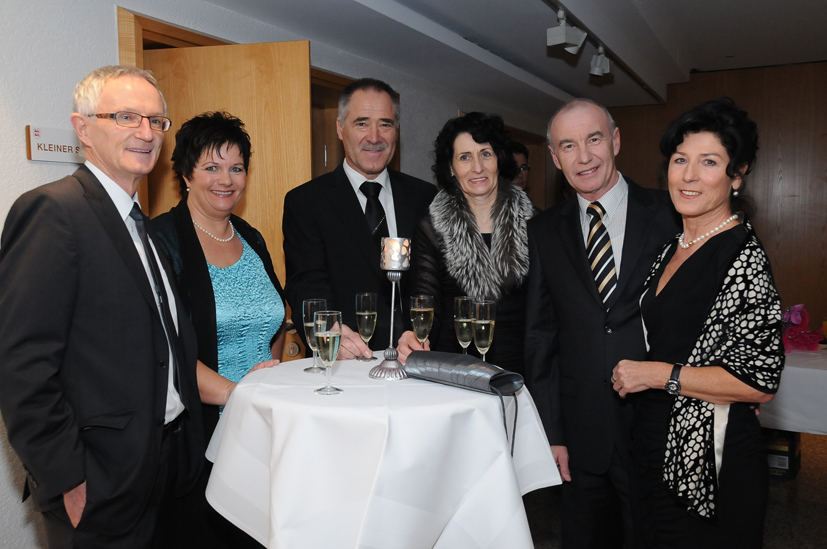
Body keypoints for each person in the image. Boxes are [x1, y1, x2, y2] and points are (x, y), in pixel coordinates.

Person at [0, 65, 203, 549]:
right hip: (99, 482)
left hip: (161, 468)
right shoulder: (53, 212)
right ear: (83, 128)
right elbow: (22, 366)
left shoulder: (141, 225)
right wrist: (67, 476)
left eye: (156, 121)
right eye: (126, 117)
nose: (146, 133)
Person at [611, 98, 784, 548]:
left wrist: (654, 374)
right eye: (680, 159)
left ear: (736, 175)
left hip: (711, 459)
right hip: (655, 442)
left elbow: (759, 382)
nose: (688, 175)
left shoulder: (742, 257)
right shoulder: (672, 246)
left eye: (709, 162)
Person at [524, 98, 680, 548]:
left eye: (593, 139)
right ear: (555, 158)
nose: (584, 156)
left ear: (615, 140)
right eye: (568, 146)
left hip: (657, 422)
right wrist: (550, 433)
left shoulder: (670, 214)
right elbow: (540, 335)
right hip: (580, 431)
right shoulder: (543, 230)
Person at [151, 111, 285, 548]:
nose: (226, 179)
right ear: (186, 173)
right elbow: (164, 352)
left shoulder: (251, 236)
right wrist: (237, 395)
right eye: (211, 166)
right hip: (201, 438)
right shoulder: (162, 241)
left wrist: (267, 379)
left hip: (261, 429)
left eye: (236, 167)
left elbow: (274, 320)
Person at [283, 78, 436, 359]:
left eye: (385, 124)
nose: (374, 137)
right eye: (362, 123)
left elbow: (436, 283)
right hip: (345, 363)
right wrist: (327, 332)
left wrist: (423, 334)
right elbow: (306, 284)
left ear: (396, 131)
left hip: (414, 362)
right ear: (340, 128)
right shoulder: (306, 201)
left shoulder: (424, 197)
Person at [396, 113, 535, 374]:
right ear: (451, 168)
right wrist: (415, 336)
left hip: (524, 369)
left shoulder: (535, 223)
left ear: (499, 159)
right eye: (464, 157)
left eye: (485, 154)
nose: (477, 167)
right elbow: (427, 303)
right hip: (456, 368)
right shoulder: (431, 228)